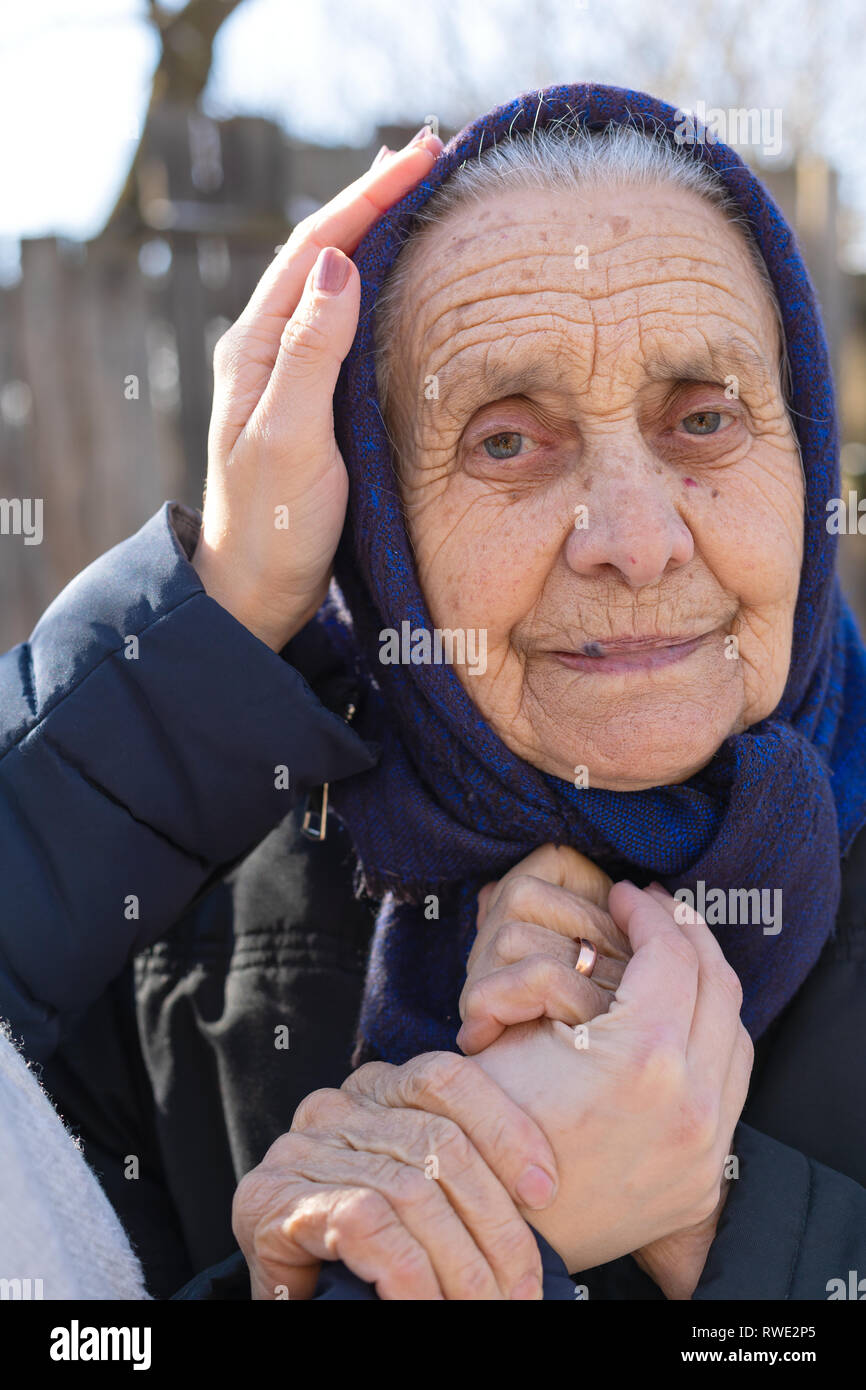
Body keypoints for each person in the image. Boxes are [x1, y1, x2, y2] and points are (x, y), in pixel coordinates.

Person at [2, 83, 866, 1301]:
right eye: (506, 440)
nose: (633, 538)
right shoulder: (174, 937)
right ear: (383, 527)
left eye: (703, 418)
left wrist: (725, 1228)